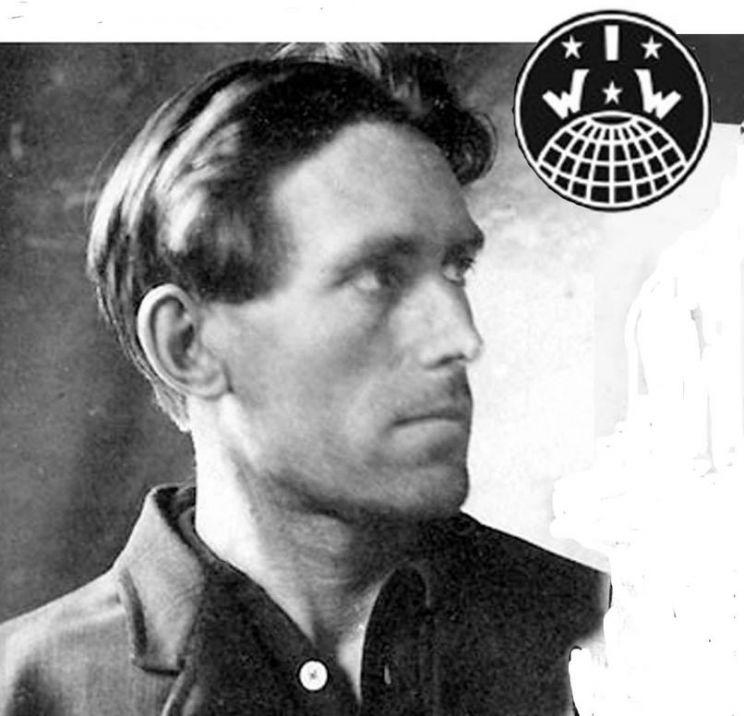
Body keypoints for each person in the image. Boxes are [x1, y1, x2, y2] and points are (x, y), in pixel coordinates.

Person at [0, 45, 605, 715]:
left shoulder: (627, 634)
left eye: (456, 270)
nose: (462, 338)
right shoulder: (24, 693)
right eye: (378, 276)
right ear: (188, 344)